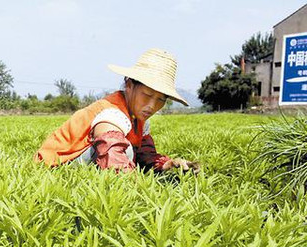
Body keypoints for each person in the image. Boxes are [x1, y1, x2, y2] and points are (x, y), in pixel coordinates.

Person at [35, 48, 199, 173]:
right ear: (129, 85)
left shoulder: (138, 118)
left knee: (132, 151)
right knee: (125, 149)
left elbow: (144, 154)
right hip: (54, 167)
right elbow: (111, 152)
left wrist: (168, 163)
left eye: (161, 99)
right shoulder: (112, 113)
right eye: (147, 95)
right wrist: (137, 190)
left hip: (77, 162)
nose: (152, 105)